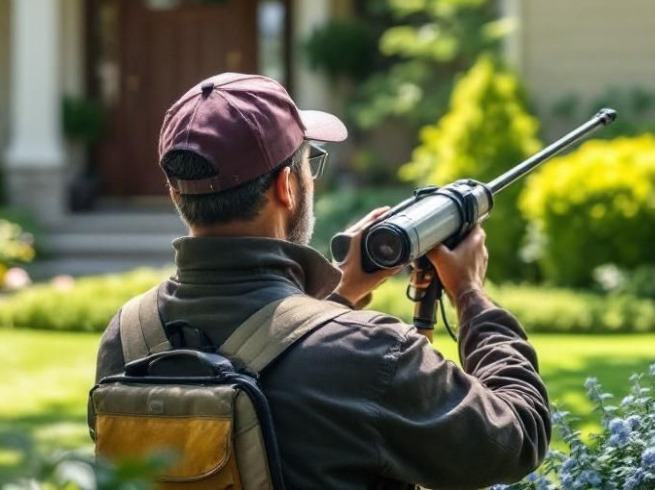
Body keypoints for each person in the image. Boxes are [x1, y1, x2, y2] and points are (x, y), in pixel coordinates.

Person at [91, 72, 550, 490]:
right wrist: (471, 296)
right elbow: (516, 437)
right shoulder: (370, 352)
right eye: (310, 163)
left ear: (176, 192)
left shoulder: (128, 339)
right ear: (286, 187)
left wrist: (336, 299)